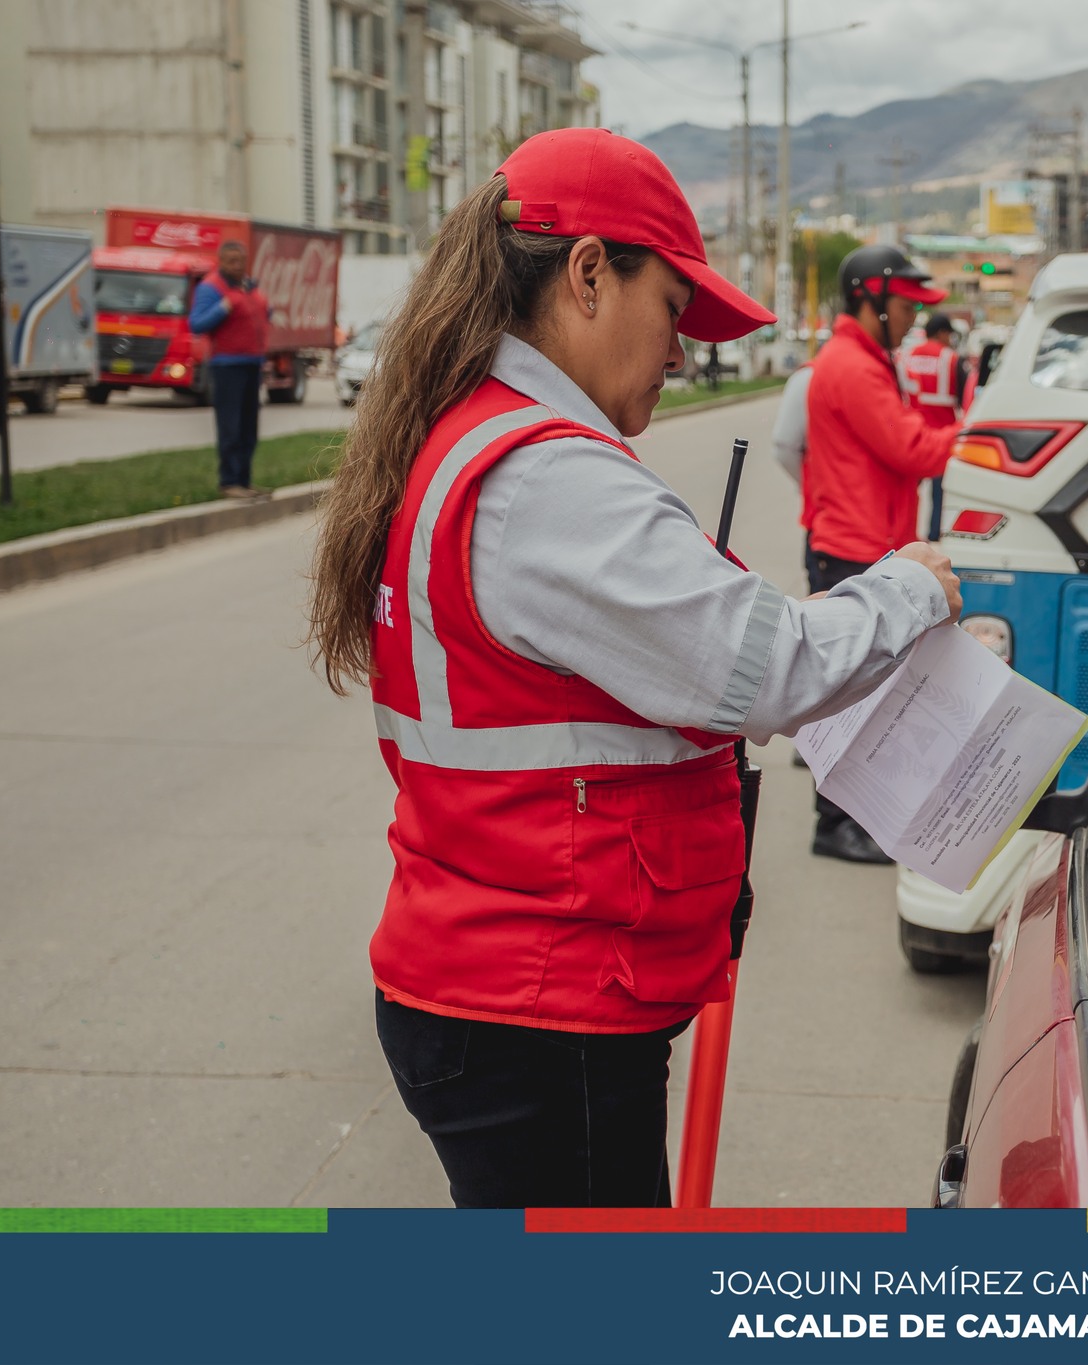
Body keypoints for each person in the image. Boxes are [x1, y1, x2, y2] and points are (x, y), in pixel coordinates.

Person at [306, 129, 962, 1209]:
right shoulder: (549, 481)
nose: (679, 354)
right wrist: (910, 589)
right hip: (540, 1007)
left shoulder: (477, 438)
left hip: (506, 979)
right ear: (588, 274)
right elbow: (770, 669)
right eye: (673, 312)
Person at [799, 244, 956, 863]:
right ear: (871, 299)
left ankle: (853, 818)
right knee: (849, 697)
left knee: (867, 694)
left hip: (862, 539)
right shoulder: (853, 366)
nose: (913, 319)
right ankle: (835, 825)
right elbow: (910, 449)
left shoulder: (863, 358)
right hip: (855, 545)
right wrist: (976, 439)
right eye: (904, 305)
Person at [188, 240, 271, 498]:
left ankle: (244, 480)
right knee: (231, 426)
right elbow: (197, 324)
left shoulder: (248, 287)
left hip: (252, 364)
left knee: (249, 427)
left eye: (240, 261)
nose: (237, 266)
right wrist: (223, 307)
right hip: (227, 366)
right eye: (231, 261)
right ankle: (229, 481)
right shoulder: (211, 288)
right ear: (221, 261)